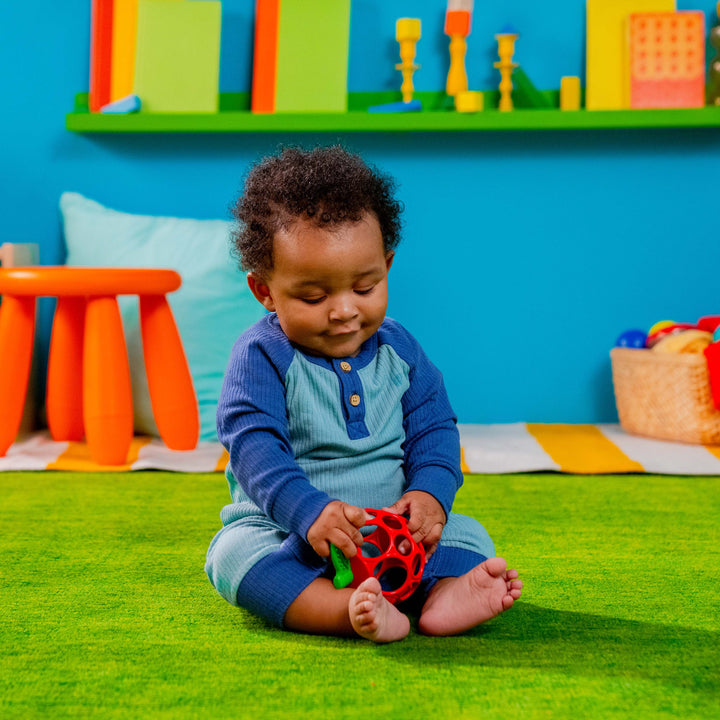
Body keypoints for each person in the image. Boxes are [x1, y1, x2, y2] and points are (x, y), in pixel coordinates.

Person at [205, 146, 522, 643]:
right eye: (314, 297)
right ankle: (339, 608)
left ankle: (441, 598)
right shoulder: (261, 356)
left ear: (387, 265)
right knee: (232, 557)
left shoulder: (401, 349)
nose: (344, 311)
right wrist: (307, 512)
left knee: (469, 534)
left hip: (397, 537)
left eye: (365, 286)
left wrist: (429, 496)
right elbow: (254, 449)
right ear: (264, 291)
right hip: (294, 534)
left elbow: (434, 430)